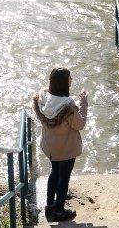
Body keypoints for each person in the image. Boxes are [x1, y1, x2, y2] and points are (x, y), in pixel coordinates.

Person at [33, 67, 88, 222]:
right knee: (64, 178)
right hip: (65, 148)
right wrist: (83, 102)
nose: (72, 81)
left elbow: (50, 97)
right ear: (64, 82)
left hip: (50, 146)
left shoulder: (43, 97)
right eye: (70, 79)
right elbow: (80, 124)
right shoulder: (69, 105)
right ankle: (59, 211)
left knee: (54, 172)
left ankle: (50, 205)